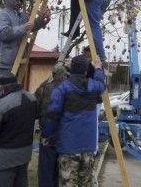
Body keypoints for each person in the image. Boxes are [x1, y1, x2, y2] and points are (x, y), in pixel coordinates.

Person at [42, 55, 105, 187]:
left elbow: (52, 115)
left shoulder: (62, 89)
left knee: (68, 183)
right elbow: (101, 84)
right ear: (86, 71)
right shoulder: (93, 86)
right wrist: (98, 68)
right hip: (88, 146)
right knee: (87, 183)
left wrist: (47, 135)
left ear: (70, 69)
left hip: (68, 147)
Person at [0, 73, 38, 187]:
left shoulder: (2, 105)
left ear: (2, 88)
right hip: (24, 154)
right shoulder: (32, 98)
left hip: (4, 159)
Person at [0, 0, 50, 83]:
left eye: (21, 0)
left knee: (13, 93)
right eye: (18, 0)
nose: (20, 2)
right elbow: (3, 33)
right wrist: (23, 27)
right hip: (4, 63)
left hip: (18, 61)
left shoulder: (21, 16)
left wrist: (43, 20)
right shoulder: (3, 15)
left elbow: (32, 26)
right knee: (1, 93)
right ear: (11, 0)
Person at [35, 64, 69, 187]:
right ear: (63, 75)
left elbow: (35, 109)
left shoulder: (43, 88)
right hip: (63, 134)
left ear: (53, 75)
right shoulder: (68, 88)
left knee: (46, 169)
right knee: (64, 169)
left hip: (47, 135)